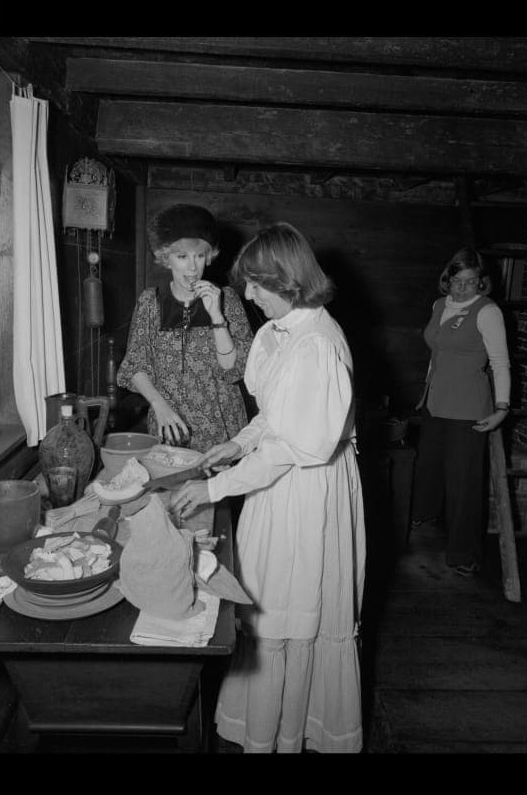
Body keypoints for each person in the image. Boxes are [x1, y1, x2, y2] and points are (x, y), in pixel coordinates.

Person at [172, 223, 366, 753]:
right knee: (267, 601)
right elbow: (272, 419)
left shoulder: (317, 346)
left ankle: (289, 731)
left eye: (256, 285)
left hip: (309, 489)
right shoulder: (275, 334)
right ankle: (264, 727)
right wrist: (235, 444)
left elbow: (293, 447)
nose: (248, 295)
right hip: (276, 482)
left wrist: (217, 490)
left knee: (294, 601)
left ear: (285, 279)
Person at [117, 204, 253, 452]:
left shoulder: (228, 299)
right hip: (170, 426)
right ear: (165, 259)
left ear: (208, 256)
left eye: (199, 256)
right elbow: (135, 364)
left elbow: (234, 370)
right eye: (182, 257)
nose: (193, 267)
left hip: (221, 429)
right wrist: (159, 406)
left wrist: (216, 316)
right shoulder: (151, 302)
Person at [410, 247, 511, 577]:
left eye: (470, 281)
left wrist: (502, 408)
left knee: (464, 485)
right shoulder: (439, 305)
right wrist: (426, 390)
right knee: (431, 474)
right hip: (435, 404)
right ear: (447, 279)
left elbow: (499, 363)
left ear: (481, 282)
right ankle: (436, 528)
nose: (461, 287)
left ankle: (464, 555)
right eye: (456, 280)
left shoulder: (488, 311)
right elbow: (436, 353)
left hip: (468, 409)